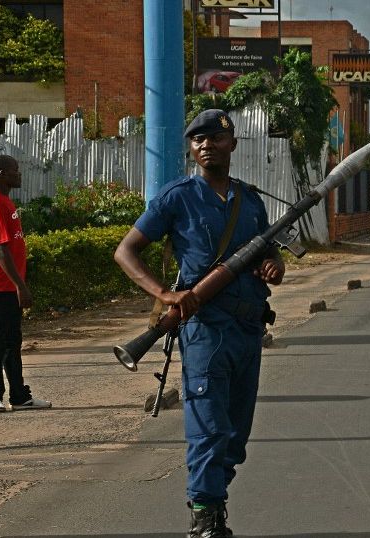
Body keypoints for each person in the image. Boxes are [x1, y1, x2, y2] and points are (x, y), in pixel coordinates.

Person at [114, 109, 285, 537]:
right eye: (197, 140)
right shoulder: (178, 197)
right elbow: (125, 252)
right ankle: (205, 518)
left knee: (235, 437)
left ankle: (211, 500)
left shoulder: (251, 200)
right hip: (205, 330)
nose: (205, 144)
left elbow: (269, 251)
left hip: (248, 331)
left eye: (214, 138)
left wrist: (273, 265)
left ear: (231, 145)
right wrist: (164, 294)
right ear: (192, 149)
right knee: (208, 427)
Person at [0, 155, 52, 414]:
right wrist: (21, 286)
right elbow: (0, 251)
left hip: (6, 286)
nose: (19, 174)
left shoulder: (6, 201)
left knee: (12, 342)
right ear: (1, 173)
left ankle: (19, 395)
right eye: (15, 171)